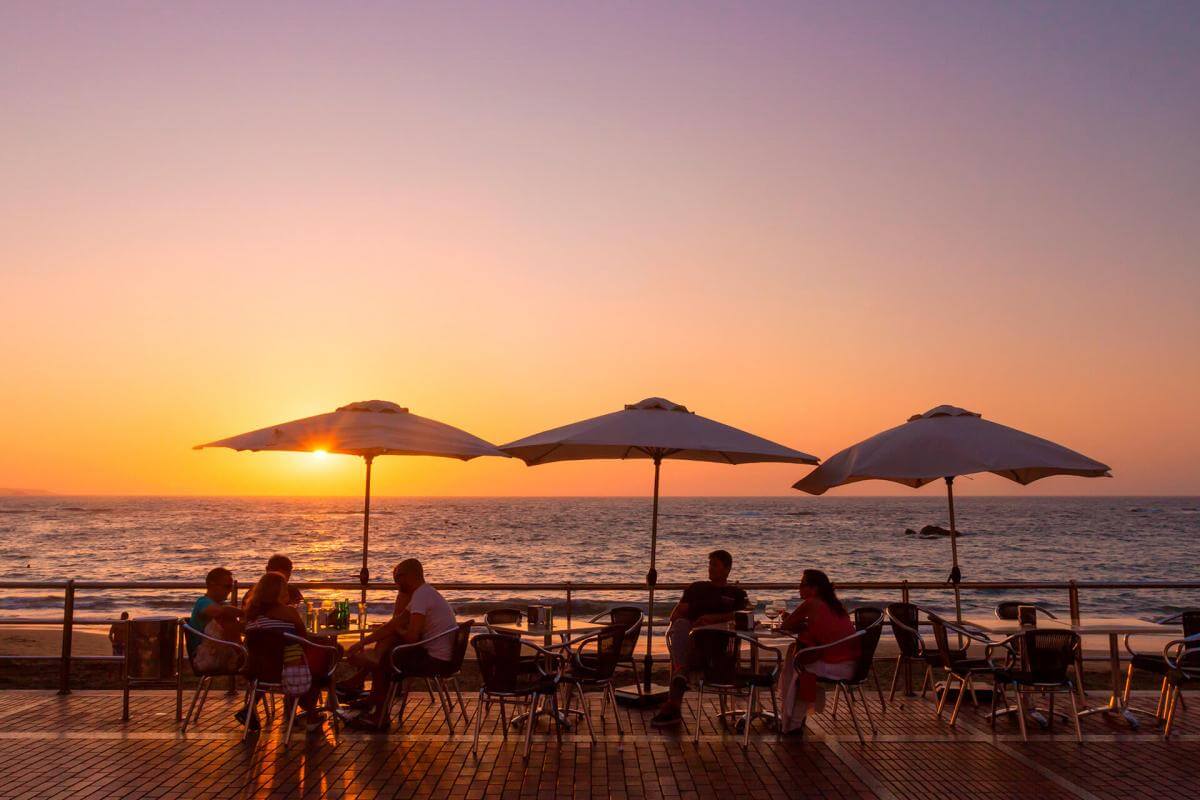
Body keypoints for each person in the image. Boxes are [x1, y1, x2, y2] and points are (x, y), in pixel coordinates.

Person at [343, 558, 457, 730]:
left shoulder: (421, 596)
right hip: (441, 655)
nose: (395, 581)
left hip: (436, 660)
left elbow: (411, 637)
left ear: (409, 576)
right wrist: (362, 643)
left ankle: (379, 717)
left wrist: (397, 631)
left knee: (385, 660)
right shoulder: (424, 593)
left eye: (398, 577)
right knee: (386, 653)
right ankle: (375, 701)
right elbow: (394, 624)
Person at [651, 549, 749, 726]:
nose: (710, 568)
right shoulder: (697, 588)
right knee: (680, 626)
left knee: (682, 662)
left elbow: (744, 616)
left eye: (715, 565)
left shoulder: (736, 593)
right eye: (709, 564)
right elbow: (676, 615)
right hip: (694, 642)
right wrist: (689, 624)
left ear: (727, 569)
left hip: (721, 648)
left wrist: (714, 619)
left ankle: (674, 699)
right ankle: (680, 674)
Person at [776, 569, 859, 735]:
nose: (798, 588)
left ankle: (792, 724)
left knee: (798, 667)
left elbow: (785, 626)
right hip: (853, 665)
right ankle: (792, 720)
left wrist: (788, 619)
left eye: (802, 584)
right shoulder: (834, 605)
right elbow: (825, 629)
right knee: (796, 656)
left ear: (814, 589)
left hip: (835, 665)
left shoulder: (812, 602)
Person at [243, 571, 325, 735]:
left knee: (287, 658)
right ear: (279, 593)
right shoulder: (289, 612)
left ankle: (251, 707)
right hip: (289, 671)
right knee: (323, 661)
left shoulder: (252, 613)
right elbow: (303, 638)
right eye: (285, 590)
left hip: (258, 671)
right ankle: (311, 715)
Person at [186, 567, 242, 657]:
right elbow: (217, 611)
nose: (230, 590)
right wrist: (243, 613)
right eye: (227, 586)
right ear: (212, 585)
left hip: (217, 651)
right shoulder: (203, 602)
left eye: (231, 586)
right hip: (204, 655)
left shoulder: (218, 604)